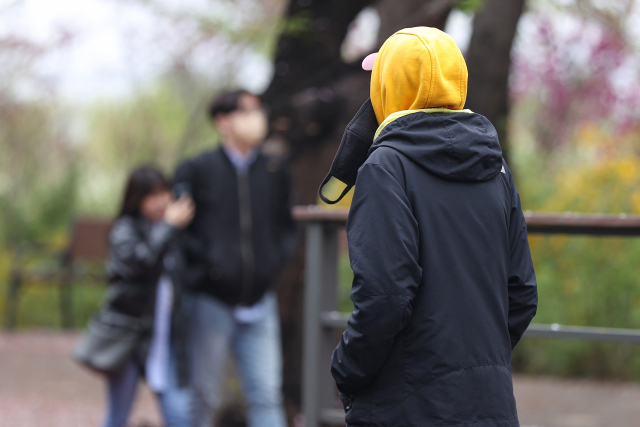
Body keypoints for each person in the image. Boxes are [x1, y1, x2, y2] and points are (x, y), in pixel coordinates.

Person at [328, 27, 538, 426]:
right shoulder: (496, 167)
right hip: (488, 402)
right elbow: (522, 293)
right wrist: (477, 366)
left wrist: (346, 367)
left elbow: (385, 294)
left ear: (390, 86)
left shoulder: (386, 166)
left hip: (407, 403)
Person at [173, 90, 296, 427]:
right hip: (210, 301)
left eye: (258, 110)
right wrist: (208, 268)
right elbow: (180, 231)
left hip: (260, 300)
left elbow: (286, 228)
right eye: (246, 111)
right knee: (203, 396)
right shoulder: (197, 169)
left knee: (267, 395)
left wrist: (272, 266)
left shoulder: (274, 169)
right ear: (222, 121)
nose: (256, 118)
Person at [102, 166, 194, 427]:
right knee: (118, 415)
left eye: (165, 192)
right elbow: (140, 261)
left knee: (180, 415)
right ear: (137, 198)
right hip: (131, 337)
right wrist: (168, 227)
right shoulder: (125, 230)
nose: (162, 201)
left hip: (167, 338)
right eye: (152, 195)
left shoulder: (174, 232)